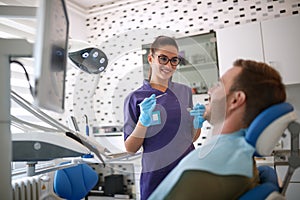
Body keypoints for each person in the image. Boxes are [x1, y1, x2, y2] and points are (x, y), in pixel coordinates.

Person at [148, 59, 287, 200]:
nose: (210, 90)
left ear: (235, 100)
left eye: (219, 84)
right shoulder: (238, 155)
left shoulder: (205, 167)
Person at [123, 35, 205, 200]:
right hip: (156, 176)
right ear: (151, 58)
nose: (169, 65)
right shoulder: (136, 98)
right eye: (163, 59)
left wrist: (197, 124)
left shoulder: (184, 92)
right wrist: (142, 122)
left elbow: (191, 138)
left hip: (187, 171)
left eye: (174, 60)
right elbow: (130, 148)